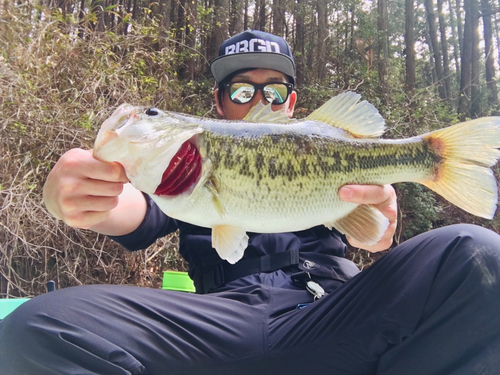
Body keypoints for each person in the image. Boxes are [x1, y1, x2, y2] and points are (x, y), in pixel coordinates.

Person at [0, 30, 499, 375]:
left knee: (476, 256)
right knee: (36, 327)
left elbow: (373, 234)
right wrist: (66, 195)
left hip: (331, 314)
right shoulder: (178, 173)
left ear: (294, 103)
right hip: (216, 326)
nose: (259, 98)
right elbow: (123, 207)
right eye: (241, 89)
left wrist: (383, 220)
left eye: (274, 90)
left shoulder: (332, 150)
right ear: (218, 103)